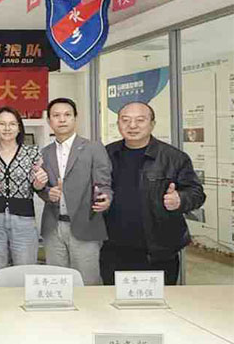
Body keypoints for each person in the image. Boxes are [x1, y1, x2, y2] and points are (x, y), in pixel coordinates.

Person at [102, 101, 206, 285]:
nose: (132, 125)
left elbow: (196, 193)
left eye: (140, 120)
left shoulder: (173, 157)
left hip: (158, 252)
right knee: (114, 299)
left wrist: (180, 199)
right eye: (125, 120)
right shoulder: (107, 154)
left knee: (159, 301)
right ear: (118, 124)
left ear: (152, 124)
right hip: (113, 249)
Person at [37, 98, 112, 286]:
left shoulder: (93, 147)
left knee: (87, 283)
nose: (62, 119)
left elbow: (103, 183)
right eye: (56, 115)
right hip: (53, 227)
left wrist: (105, 197)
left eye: (67, 115)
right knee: (57, 283)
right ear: (49, 121)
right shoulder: (44, 153)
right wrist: (47, 192)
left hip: (85, 224)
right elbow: (41, 187)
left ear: (75, 118)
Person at [0, 106, 48, 284]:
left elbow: (38, 185)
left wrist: (39, 183)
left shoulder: (32, 153)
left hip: (24, 220)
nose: (7, 128)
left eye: (12, 124)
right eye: (2, 124)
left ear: (19, 128)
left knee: (25, 274)